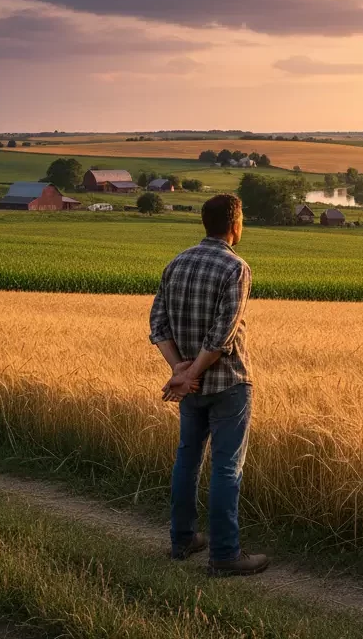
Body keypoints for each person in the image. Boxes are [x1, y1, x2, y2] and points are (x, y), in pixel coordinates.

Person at [149, 193, 268, 575]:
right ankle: (225, 556)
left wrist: (180, 373)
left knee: (187, 459)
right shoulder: (236, 267)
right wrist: (192, 373)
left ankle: (182, 540)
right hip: (228, 384)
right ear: (236, 224)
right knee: (226, 468)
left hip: (192, 390)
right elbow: (223, 335)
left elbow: (157, 325)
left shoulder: (176, 263)